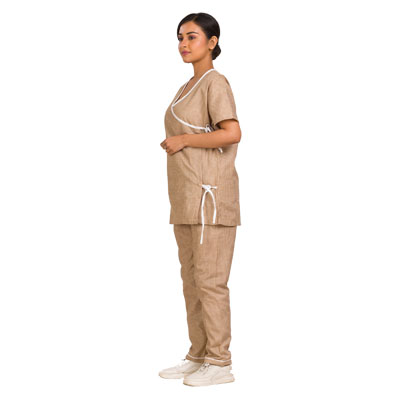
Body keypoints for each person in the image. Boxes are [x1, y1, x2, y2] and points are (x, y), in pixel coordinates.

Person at [159, 12, 242, 387]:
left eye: (191, 37)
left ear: (212, 42)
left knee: (210, 282)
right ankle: (198, 355)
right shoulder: (185, 87)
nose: (183, 43)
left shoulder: (215, 82)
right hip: (186, 198)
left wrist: (185, 140)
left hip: (212, 199)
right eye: (180, 37)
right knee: (192, 281)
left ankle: (220, 362)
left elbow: (232, 132)